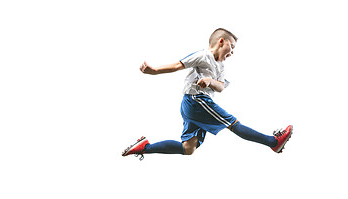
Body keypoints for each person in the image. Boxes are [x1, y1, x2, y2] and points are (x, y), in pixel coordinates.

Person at [122, 28, 292, 160]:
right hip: (196, 100)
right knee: (234, 124)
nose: (231, 52)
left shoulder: (221, 66)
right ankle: (273, 142)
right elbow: (177, 65)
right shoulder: (203, 56)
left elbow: (221, 86)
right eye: (231, 47)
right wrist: (154, 71)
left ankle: (145, 147)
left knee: (188, 149)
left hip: (194, 105)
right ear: (221, 41)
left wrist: (210, 81)